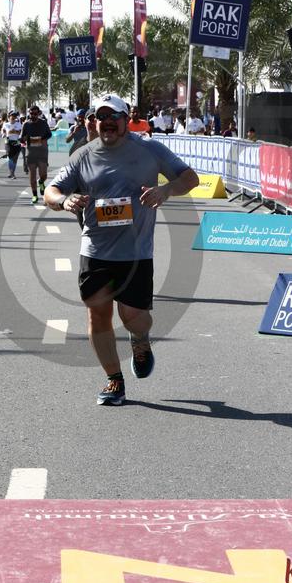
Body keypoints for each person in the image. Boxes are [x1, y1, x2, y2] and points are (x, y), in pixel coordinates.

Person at [44, 93, 199, 406]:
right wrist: (64, 200)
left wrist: (165, 190)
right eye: (101, 117)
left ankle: (140, 340)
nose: (107, 122)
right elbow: (51, 190)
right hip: (95, 249)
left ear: (126, 120)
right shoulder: (83, 155)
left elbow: (190, 178)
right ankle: (114, 379)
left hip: (136, 252)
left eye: (113, 116)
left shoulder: (150, 149)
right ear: (95, 121)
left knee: (133, 317)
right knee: (98, 315)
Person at [20, 105, 52, 203]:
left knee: (43, 174)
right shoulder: (26, 124)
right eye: (31, 113)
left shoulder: (43, 123)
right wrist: (23, 139)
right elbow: (21, 138)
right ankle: (34, 195)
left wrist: (42, 139)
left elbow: (49, 134)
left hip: (42, 151)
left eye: (35, 114)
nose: (33, 115)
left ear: (38, 113)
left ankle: (41, 182)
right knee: (32, 175)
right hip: (31, 152)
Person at [2, 110, 23, 179]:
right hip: (8, 142)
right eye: (12, 116)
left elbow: (19, 132)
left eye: (15, 116)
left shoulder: (18, 124)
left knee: (15, 159)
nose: (13, 117)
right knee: (10, 157)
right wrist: (5, 134)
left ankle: (12, 172)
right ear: (9, 116)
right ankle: (11, 173)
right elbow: (4, 132)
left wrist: (12, 132)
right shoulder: (6, 124)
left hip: (17, 141)